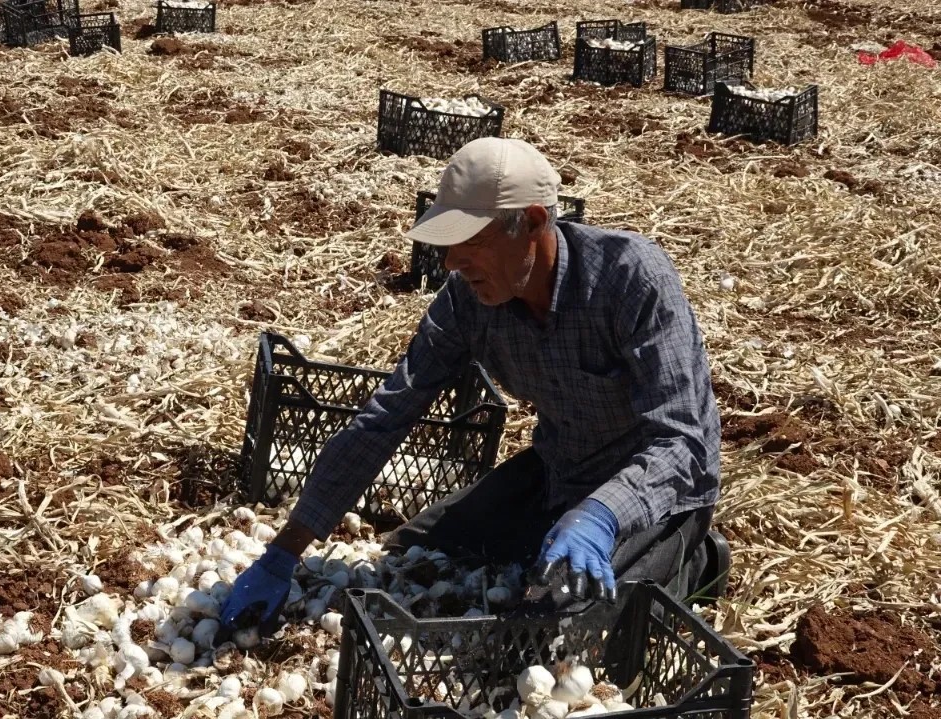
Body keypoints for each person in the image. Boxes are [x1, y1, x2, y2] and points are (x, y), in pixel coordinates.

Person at [219, 137, 722, 636]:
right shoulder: (469, 302)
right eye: (448, 245)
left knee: (553, 632)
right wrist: (283, 553)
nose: (452, 263)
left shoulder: (631, 280)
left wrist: (603, 513)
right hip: (558, 472)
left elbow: (683, 444)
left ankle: (696, 557)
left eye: (472, 243)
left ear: (533, 223)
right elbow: (387, 416)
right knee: (417, 551)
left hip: (653, 495)